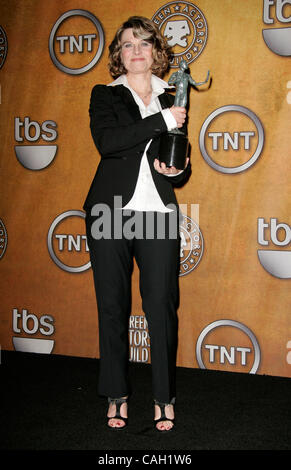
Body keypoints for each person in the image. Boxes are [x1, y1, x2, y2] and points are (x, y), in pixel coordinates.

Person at [84, 16, 191, 432]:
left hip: (158, 212)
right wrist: (161, 122)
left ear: (156, 52)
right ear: (119, 55)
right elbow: (109, 143)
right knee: (112, 305)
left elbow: (178, 158)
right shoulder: (105, 94)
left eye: (144, 43)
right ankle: (117, 392)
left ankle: (164, 396)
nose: (136, 50)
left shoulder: (173, 95)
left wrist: (174, 169)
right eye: (128, 44)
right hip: (109, 210)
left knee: (161, 306)